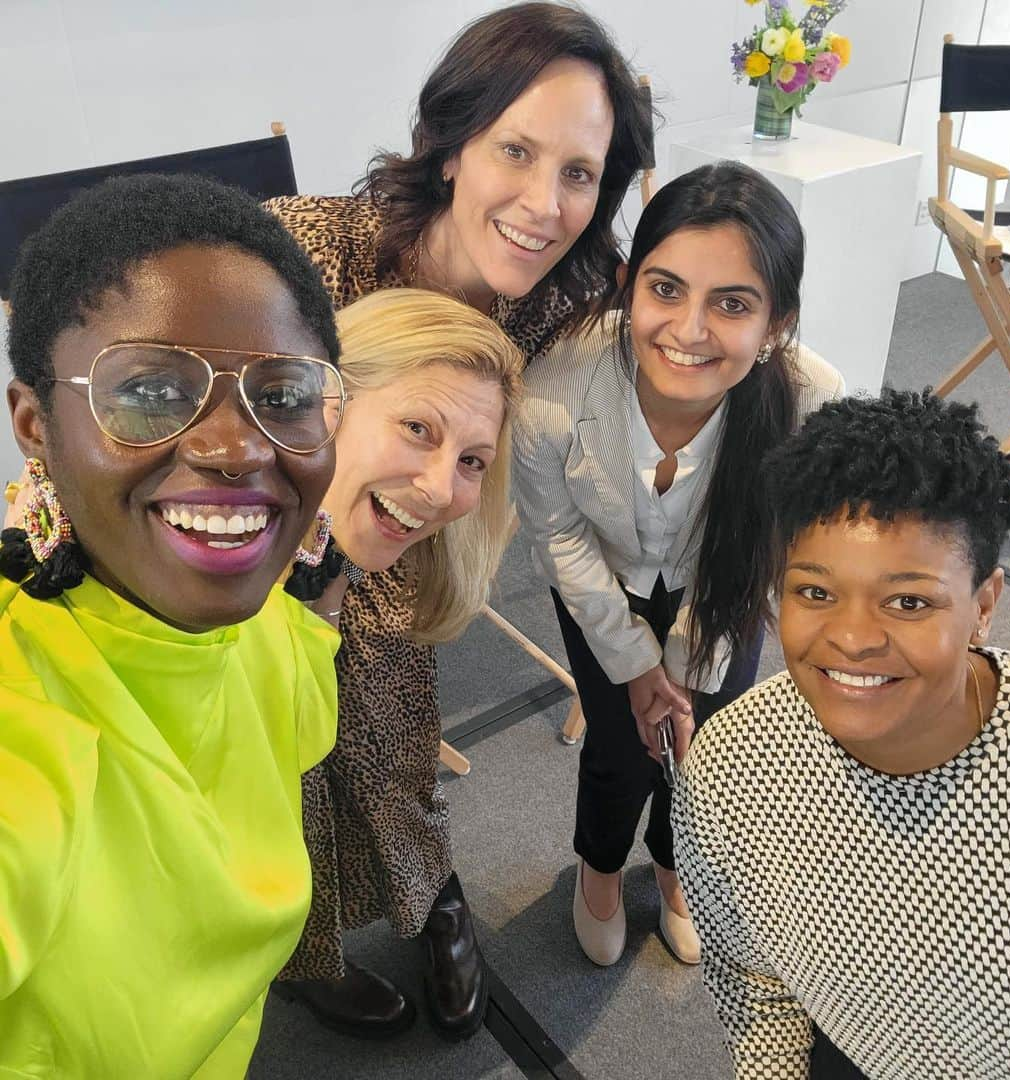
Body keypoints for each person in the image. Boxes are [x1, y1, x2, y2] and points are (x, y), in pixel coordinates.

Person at [264, 1, 651, 1038]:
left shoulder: (557, 306)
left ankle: (432, 901)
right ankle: (299, 949)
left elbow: (688, 353)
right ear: (449, 146)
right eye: (516, 151)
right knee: (270, 745)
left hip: (417, 543)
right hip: (266, 534)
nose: (544, 202)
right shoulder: (302, 247)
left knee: (388, 704)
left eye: (580, 173)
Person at [0, 174, 348, 1078]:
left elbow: (306, 697)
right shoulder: (25, 721)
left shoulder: (269, 632)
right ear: (33, 424)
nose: (237, 448)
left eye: (282, 395)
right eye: (149, 392)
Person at [673, 389, 1010, 1078]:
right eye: (816, 593)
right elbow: (755, 984)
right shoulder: (731, 765)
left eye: (910, 601)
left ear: (984, 606)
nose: (854, 639)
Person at [513, 161, 845, 968]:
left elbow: (772, 554)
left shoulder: (812, 405)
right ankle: (598, 868)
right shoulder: (553, 391)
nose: (688, 330)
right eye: (665, 290)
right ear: (629, 287)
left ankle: (674, 869)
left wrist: (689, 665)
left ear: (776, 324)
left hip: (724, 590)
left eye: (731, 304)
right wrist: (633, 665)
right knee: (620, 746)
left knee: (708, 743)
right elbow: (559, 537)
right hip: (600, 581)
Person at [272, 288, 523, 1038]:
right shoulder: (214, 554)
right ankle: (307, 959)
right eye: (418, 428)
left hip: (361, 582)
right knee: (289, 800)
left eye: (472, 461)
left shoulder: (384, 548)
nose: (447, 489)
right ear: (327, 394)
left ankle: (432, 898)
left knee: (396, 764)